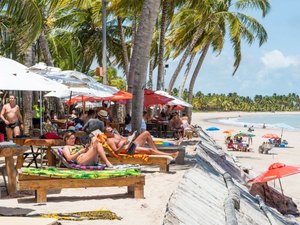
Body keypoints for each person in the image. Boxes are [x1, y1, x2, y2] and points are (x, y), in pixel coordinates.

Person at [104, 126, 179, 159]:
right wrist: (123, 145)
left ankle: (157, 151)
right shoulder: (110, 141)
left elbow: (124, 138)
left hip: (131, 144)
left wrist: (131, 136)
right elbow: (116, 152)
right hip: (128, 150)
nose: (112, 132)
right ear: (106, 133)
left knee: (146, 133)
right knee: (150, 150)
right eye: (110, 131)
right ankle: (171, 155)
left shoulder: (115, 135)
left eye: (112, 130)